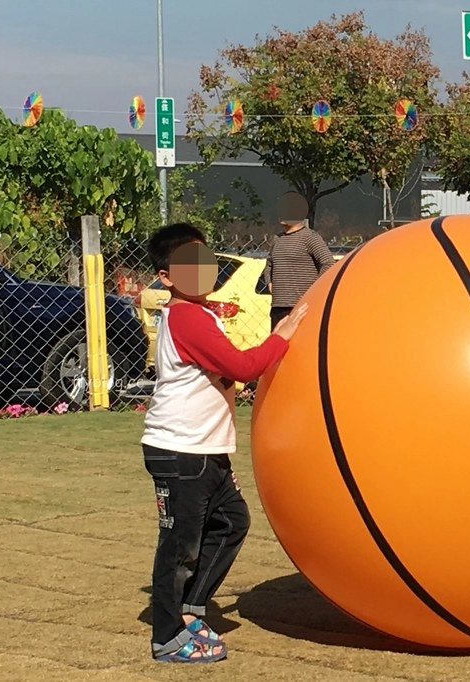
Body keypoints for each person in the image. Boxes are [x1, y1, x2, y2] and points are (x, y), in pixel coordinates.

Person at [140, 222, 308, 663]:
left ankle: (191, 608)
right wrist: (281, 337)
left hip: (206, 449)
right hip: (180, 450)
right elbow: (242, 367)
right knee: (179, 545)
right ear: (166, 277)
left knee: (232, 522)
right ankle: (167, 638)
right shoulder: (188, 317)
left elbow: (225, 369)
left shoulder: (199, 313)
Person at [264, 191, 335, 331]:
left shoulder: (309, 237)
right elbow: (269, 265)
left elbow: (328, 262)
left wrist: (315, 289)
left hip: (301, 307)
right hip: (278, 307)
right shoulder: (277, 239)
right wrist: (269, 283)